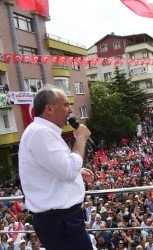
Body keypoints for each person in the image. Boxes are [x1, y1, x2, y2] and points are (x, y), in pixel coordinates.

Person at [18, 86, 94, 250]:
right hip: (61, 221)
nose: (71, 110)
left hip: (61, 220)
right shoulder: (41, 133)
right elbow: (67, 171)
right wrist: (80, 139)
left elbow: (49, 168)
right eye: (66, 105)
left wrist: (77, 172)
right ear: (49, 109)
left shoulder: (41, 131)